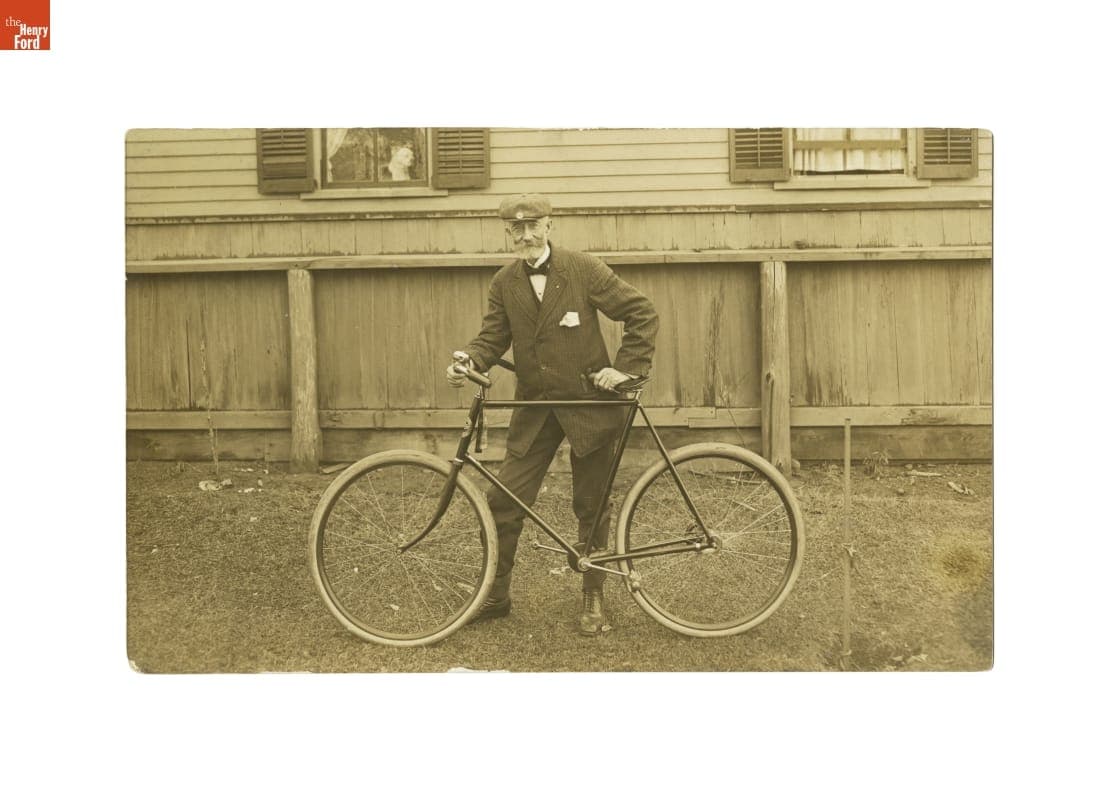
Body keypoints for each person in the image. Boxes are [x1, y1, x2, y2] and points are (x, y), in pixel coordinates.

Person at [446, 194, 658, 635]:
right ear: (508, 232)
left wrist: (625, 370)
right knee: (504, 500)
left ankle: (593, 594)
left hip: (588, 405)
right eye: (516, 228)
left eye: (533, 226)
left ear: (549, 226)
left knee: (591, 504)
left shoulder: (583, 268)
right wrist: (469, 359)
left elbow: (641, 312)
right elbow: (492, 338)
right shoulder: (505, 282)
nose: (525, 235)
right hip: (536, 409)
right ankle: (495, 595)